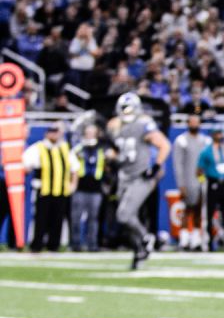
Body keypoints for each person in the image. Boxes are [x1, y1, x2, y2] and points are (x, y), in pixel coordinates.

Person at [108, 93, 170, 269]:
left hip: (140, 176)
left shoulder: (143, 124)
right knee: (127, 217)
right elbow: (119, 151)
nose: (126, 112)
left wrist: (156, 166)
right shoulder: (115, 126)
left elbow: (164, 145)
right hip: (123, 176)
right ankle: (139, 251)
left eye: (129, 109)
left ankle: (145, 238)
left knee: (124, 214)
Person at [24, 123, 75, 252]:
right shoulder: (38, 148)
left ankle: (54, 245)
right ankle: (37, 245)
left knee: (57, 219)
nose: (53, 134)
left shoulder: (65, 148)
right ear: (46, 133)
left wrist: (73, 184)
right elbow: (25, 165)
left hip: (61, 190)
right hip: (44, 189)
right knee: (41, 219)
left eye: (56, 131)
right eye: (51, 131)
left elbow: (75, 169)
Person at [69, 123, 111, 251]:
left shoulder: (102, 149)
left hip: (96, 188)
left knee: (94, 219)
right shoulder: (78, 148)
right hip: (81, 187)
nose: (90, 135)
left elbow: (109, 164)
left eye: (92, 133)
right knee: (76, 217)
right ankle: (75, 244)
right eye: (88, 133)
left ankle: (92, 244)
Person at [172, 114, 210, 251]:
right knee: (186, 209)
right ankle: (184, 239)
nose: (195, 124)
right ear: (188, 123)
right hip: (187, 180)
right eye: (192, 122)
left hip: (201, 181)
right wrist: (181, 183)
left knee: (199, 210)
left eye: (197, 122)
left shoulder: (205, 140)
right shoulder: (181, 140)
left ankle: (195, 239)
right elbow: (178, 164)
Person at [197, 126, 224, 250]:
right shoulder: (206, 151)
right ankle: (209, 242)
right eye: (218, 133)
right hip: (212, 183)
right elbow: (199, 171)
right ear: (213, 135)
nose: (220, 136)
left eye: (221, 133)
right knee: (209, 214)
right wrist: (204, 182)